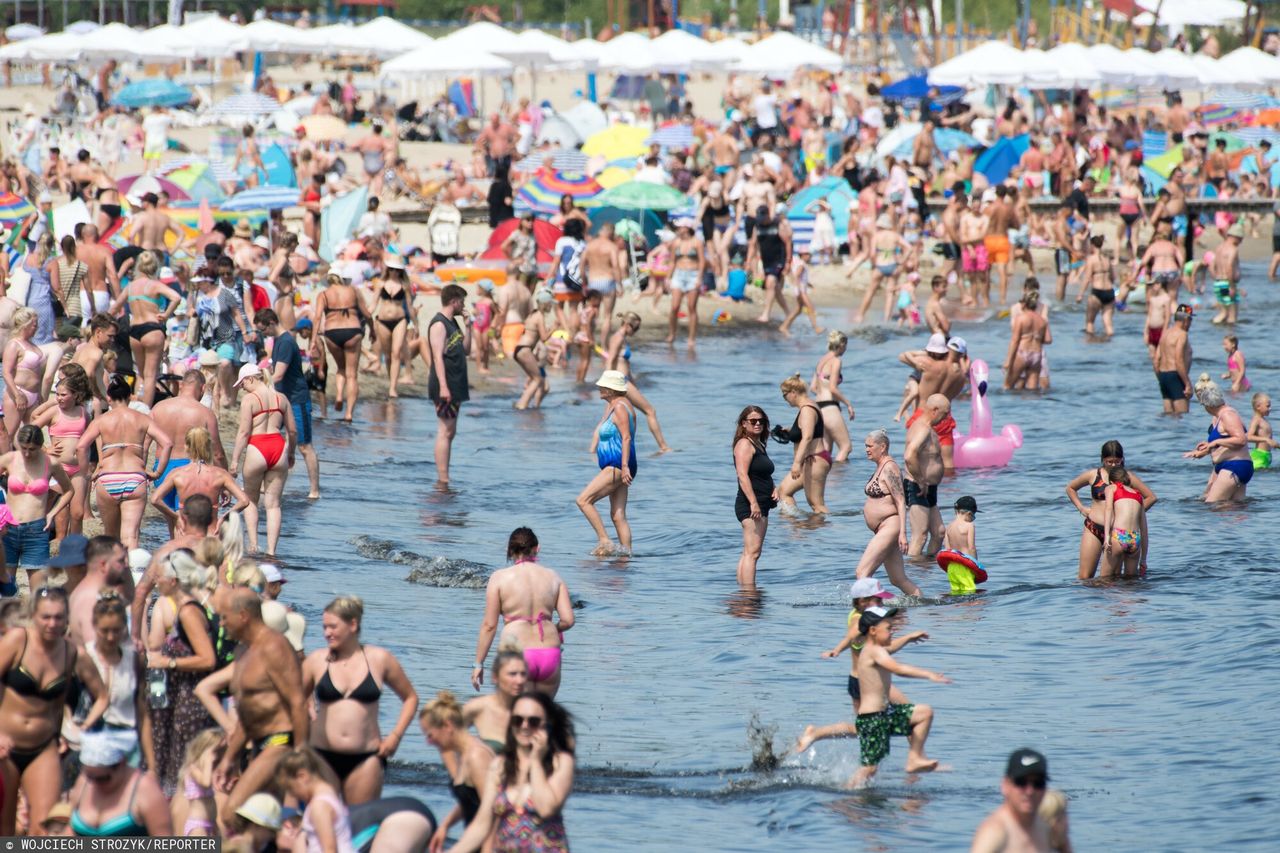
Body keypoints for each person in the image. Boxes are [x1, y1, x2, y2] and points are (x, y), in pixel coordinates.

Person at [0, 586, 108, 834]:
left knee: (44, 826)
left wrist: (80, 728)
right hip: (5, 746)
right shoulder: (18, 640)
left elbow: (101, 696)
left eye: (59, 617)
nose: (52, 623)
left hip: (44, 747)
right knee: (5, 827)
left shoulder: (72, 653)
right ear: (34, 616)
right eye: (46, 617)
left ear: (67, 618)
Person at [301, 596, 419, 806]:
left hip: (366, 758)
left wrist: (395, 736)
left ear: (353, 624)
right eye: (324, 627)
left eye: (333, 627)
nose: (326, 633)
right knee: (321, 825)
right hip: (322, 755)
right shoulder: (316, 660)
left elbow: (410, 698)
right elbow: (294, 700)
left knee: (361, 827)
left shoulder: (379, 659)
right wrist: (306, 725)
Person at [793, 577, 928, 754]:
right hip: (870, 681)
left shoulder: (859, 616)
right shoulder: (861, 621)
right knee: (913, 717)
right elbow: (854, 637)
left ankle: (817, 733)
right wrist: (837, 650)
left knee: (862, 729)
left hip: (857, 680)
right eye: (877, 600)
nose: (882, 603)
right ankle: (916, 760)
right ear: (863, 601)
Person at [213, 588, 308, 819]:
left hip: (279, 741)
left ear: (244, 616)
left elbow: (297, 701)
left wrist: (300, 756)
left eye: (225, 617)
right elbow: (249, 712)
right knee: (262, 821)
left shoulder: (274, 646)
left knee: (231, 814)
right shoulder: (244, 651)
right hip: (256, 743)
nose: (222, 624)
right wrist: (228, 758)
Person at [447, 692, 574, 853]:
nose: (525, 726)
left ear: (547, 724)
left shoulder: (560, 762)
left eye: (533, 722)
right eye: (517, 720)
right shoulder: (500, 765)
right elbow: (482, 824)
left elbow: (546, 808)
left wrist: (535, 761)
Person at [847, 605, 950, 788]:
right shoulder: (874, 651)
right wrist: (929, 674)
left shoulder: (874, 649)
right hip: (873, 720)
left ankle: (914, 758)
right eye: (888, 628)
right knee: (869, 769)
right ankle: (846, 796)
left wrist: (909, 638)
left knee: (924, 713)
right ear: (872, 630)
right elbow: (897, 669)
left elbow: (891, 648)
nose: (892, 631)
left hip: (881, 717)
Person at [147, 550, 219, 794]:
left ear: (174, 581)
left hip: (190, 702)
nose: (156, 581)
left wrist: (168, 663)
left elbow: (207, 658)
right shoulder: (182, 608)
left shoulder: (189, 612)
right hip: (179, 696)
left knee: (182, 768)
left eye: (160, 577)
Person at [472, 528, 574, 698]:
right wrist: (554, 629)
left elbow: (489, 626)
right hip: (549, 654)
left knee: (515, 718)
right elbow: (568, 620)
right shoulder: (554, 577)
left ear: (510, 550)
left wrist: (478, 664)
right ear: (537, 548)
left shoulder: (499, 578)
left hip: (516, 653)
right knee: (543, 718)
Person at [230, 363, 297, 557]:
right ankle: (271, 551)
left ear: (251, 378)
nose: (242, 389)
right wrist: (291, 453)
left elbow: (243, 432)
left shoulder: (250, 400)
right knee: (274, 505)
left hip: (257, 447)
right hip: (278, 446)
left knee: (251, 499)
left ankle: (253, 545)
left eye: (242, 384)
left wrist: (235, 459)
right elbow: (292, 431)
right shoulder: (281, 398)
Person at [1064, 441, 1156, 580]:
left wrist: (1135, 513)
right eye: (1109, 462)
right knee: (1084, 577)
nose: (1113, 465)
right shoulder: (1093, 475)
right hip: (1093, 528)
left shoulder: (1127, 477)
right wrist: (1081, 508)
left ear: (1122, 460)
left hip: (1117, 533)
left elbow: (1151, 497)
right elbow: (1070, 488)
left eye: (1117, 462)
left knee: (1112, 579)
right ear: (1102, 460)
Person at [0, 426, 75, 593]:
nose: (27, 453)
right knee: (5, 591)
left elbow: (69, 490)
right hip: (8, 529)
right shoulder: (9, 459)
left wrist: (52, 514)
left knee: (39, 593)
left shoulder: (51, 463)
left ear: (41, 446)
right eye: (24, 448)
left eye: (32, 449)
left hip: (37, 529)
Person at [257, 308, 320, 499]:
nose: (263, 334)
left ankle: (314, 490)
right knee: (270, 439)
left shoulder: (285, 342)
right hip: (281, 399)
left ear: (271, 323)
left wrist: (261, 385)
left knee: (304, 446)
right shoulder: (278, 341)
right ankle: (265, 483)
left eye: (263, 330)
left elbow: (278, 374)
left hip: (296, 400)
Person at [149, 370, 227, 517]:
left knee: (173, 519)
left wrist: (144, 474)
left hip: (162, 468)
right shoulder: (205, 413)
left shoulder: (159, 407)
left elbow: (144, 445)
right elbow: (218, 454)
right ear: (203, 388)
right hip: (189, 469)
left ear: (181, 385)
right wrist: (225, 480)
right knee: (187, 519)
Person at [109, 250, 182, 406]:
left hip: (134, 331)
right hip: (152, 329)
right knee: (150, 376)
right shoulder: (154, 284)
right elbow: (176, 297)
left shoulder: (130, 287)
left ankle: (136, 406)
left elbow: (114, 309)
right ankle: (145, 411)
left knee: (140, 374)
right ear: (154, 267)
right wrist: (167, 314)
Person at [422, 691, 492, 852]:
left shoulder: (477, 756)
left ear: (447, 726)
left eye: (430, 735)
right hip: (475, 839)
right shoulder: (465, 755)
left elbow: (492, 810)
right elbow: (472, 800)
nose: (428, 742)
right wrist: (445, 825)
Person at [68, 730, 173, 836]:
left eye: (102, 779)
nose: (95, 784)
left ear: (121, 763)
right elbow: (70, 830)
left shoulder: (146, 790)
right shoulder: (84, 782)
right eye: (90, 777)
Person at [576, 371, 636, 557]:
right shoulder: (614, 405)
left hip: (618, 464)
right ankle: (626, 558)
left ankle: (604, 539)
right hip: (617, 464)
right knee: (618, 516)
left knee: (583, 500)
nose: (598, 388)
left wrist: (624, 466)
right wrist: (592, 451)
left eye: (602, 386)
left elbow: (626, 437)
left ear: (611, 389)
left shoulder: (619, 407)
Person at [854, 429, 920, 597]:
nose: (866, 449)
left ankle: (876, 610)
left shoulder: (890, 468)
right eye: (865, 446)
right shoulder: (880, 467)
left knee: (862, 573)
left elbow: (901, 501)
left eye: (870, 446)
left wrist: (903, 534)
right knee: (897, 579)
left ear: (882, 447)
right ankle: (919, 602)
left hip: (890, 526)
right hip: (882, 528)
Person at [151, 427, 249, 532]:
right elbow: (244, 501)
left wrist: (175, 517)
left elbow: (155, 499)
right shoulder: (220, 474)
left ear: (187, 447)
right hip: (210, 533)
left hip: (184, 533)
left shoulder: (177, 474)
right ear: (208, 447)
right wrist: (224, 518)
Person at [970, 748, 1055, 853]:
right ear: (1005, 785)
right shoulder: (995, 833)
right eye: (1021, 782)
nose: (1030, 791)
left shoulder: (1045, 829)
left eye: (1038, 783)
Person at [429, 284, 471, 486]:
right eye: (462, 301)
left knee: (450, 431)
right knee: (444, 430)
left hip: (457, 382)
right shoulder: (439, 324)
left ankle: (444, 476)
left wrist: (468, 325)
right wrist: (443, 387)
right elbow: (437, 358)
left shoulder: (453, 322)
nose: (463, 305)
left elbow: (467, 350)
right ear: (454, 301)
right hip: (445, 383)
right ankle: (443, 478)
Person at [1185, 376, 1252, 502]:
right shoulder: (1219, 416)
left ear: (1207, 405)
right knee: (1232, 510)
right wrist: (1206, 448)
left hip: (1235, 466)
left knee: (1212, 504)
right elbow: (1226, 441)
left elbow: (1241, 440)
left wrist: (1215, 442)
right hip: (1228, 465)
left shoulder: (1228, 415)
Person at [276, 748, 356, 853]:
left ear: (302, 776)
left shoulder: (319, 806)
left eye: (290, 788)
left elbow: (329, 849)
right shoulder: (329, 793)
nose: (292, 794)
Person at [774, 374, 831, 515]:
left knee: (816, 504)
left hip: (815, 459)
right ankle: (795, 530)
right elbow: (806, 431)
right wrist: (790, 431)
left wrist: (796, 463)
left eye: (784, 395)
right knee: (783, 492)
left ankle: (829, 534)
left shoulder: (807, 410)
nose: (785, 399)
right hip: (810, 460)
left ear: (793, 393)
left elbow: (807, 437)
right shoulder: (809, 406)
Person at [733, 406, 777, 586]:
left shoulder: (757, 443)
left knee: (749, 552)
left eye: (761, 421)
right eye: (753, 421)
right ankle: (749, 593)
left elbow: (761, 474)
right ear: (744, 424)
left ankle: (744, 593)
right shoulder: (744, 444)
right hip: (751, 504)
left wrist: (774, 487)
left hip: (761, 502)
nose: (758, 424)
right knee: (753, 553)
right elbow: (742, 475)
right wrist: (753, 503)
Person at [313, 272, 366, 423]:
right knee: (352, 374)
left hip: (332, 332)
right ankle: (348, 413)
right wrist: (372, 329)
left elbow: (317, 318)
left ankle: (338, 395)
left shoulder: (323, 294)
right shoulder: (354, 291)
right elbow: (366, 313)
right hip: (352, 331)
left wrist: (312, 340)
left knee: (340, 368)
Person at [904, 394, 949, 557]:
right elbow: (909, 455)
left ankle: (927, 571)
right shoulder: (922, 429)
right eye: (945, 414)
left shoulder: (928, 428)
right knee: (920, 535)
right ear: (935, 410)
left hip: (929, 487)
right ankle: (911, 574)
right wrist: (920, 480)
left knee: (939, 533)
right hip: (918, 486)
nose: (946, 419)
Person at [463, 649, 527, 755]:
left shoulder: (533, 711)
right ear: (495, 677)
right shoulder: (479, 707)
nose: (519, 680)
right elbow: (447, 737)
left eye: (523, 674)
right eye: (512, 674)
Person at [3, 307, 47, 442]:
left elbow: (38, 374)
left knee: (32, 436)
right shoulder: (14, 345)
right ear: (25, 325)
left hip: (33, 395)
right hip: (18, 393)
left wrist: (39, 393)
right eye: (34, 325)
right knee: (8, 435)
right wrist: (17, 394)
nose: (37, 327)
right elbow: (6, 372)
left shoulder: (32, 345)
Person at [811, 331, 855, 462]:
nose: (846, 349)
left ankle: (826, 481)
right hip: (829, 407)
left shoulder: (821, 361)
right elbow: (833, 388)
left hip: (819, 407)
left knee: (826, 450)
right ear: (841, 344)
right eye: (846, 345)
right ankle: (838, 480)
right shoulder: (836, 361)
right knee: (846, 447)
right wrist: (848, 404)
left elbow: (813, 387)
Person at [1102, 466, 1148, 578]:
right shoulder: (1138, 495)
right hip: (1135, 539)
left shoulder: (1111, 488)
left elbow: (1108, 510)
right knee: (1131, 582)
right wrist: (1143, 559)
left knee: (1105, 579)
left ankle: (1112, 595)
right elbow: (1144, 528)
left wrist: (1107, 536)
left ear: (1112, 481)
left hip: (1119, 535)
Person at [666, 218, 705, 346]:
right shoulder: (675, 243)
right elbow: (672, 261)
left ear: (687, 228)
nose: (678, 229)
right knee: (674, 307)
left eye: (680, 227)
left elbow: (702, 261)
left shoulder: (697, 242)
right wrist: (668, 277)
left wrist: (699, 278)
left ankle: (691, 338)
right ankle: (672, 333)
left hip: (693, 275)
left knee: (691, 307)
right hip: (678, 273)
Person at [1004, 290, 1051, 390]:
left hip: (1022, 353)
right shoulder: (1042, 320)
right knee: (1032, 391)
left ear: (1024, 304)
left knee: (1007, 386)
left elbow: (1015, 341)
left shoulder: (1021, 318)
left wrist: (1008, 361)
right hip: (1037, 354)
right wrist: (1036, 337)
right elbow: (1048, 340)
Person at [1154, 304, 1194, 414]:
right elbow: (1178, 360)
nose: (1190, 323)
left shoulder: (1165, 333)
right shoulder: (1182, 335)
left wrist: (1161, 379)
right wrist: (1187, 383)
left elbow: (1156, 359)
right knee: (1182, 417)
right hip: (1176, 375)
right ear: (1186, 320)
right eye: (1190, 320)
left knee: (1168, 415)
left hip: (1163, 376)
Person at [1210, 222, 1242, 326]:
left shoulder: (1219, 248)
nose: (1241, 242)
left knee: (1223, 313)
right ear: (1236, 237)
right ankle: (1231, 335)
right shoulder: (1233, 249)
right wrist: (1232, 286)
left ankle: (1214, 327)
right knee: (1232, 316)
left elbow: (1211, 265)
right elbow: (1229, 266)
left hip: (1219, 283)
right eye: (1241, 239)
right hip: (1228, 284)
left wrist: (1216, 279)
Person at [1247, 392, 1276, 471]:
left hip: (1266, 456)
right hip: (1259, 456)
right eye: (1267, 406)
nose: (1270, 408)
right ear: (1258, 407)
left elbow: (1269, 440)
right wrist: (1266, 439)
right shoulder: (1256, 420)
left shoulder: (1264, 420)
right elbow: (1248, 437)